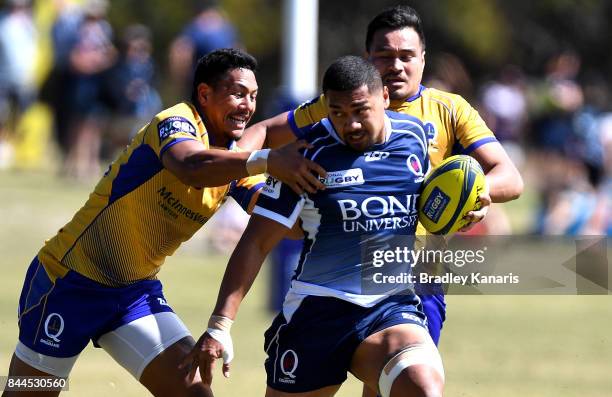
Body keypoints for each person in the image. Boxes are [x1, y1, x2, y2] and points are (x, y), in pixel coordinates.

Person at [3, 48, 324, 397]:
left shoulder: (235, 158)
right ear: (204, 94)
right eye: (237, 94)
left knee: (195, 393)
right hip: (69, 282)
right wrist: (266, 159)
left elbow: (282, 223)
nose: (247, 105)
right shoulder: (175, 122)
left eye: (253, 97)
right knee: (27, 392)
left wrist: (318, 203)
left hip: (133, 295)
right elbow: (191, 166)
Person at [238, 5, 523, 354]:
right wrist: (245, 180)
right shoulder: (344, 105)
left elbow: (510, 177)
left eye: (407, 56)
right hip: (335, 274)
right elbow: (264, 132)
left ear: (423, 59)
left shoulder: (450, 109)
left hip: (416, 275)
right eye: (385, 55)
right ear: (368, 58)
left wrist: (471, 194)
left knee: (401, 384)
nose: (396, 66)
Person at [184, 56, 445, 397]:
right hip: (317, 310)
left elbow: (438, 202)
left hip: (390, 306)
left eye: (360, 110)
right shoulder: (305, 154)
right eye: (338, 113)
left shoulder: (415, 139)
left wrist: (470, 204)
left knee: (422, 387)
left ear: (384, 97)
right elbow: (257, 242)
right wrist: (220, 325)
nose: (350, 124)